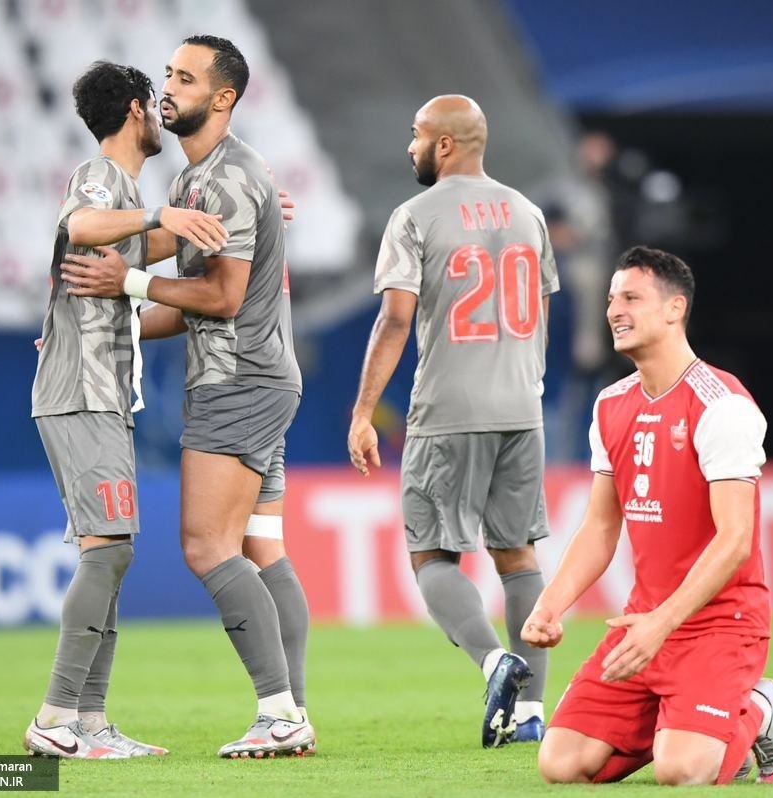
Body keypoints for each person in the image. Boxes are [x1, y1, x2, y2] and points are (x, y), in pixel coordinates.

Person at [59, 35, 313, 759]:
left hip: (238, 382)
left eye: (186, 79)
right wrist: (105, 322)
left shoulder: (224, 178)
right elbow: (185, 302)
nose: (168, 88)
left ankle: (279, 713)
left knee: (206, 546)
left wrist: (129, 283)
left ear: (223, 98)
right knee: (261, 546)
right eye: (168, 75)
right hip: (258, 376)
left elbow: (221, 298)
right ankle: (291, 709)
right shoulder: (201, 181)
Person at [521, 246, 773, 785]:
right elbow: (601, 527)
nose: (614, 310)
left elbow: (736, 539)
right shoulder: (611, 404)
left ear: (675, 309)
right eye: (611, 299)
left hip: (719, 625)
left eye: (631, 297)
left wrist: (662, 623)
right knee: (560, 764)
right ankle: (684, 720)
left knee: (681, 772)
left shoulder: (722, 406)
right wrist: (550, 605)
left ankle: (759, 708)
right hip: (643, 623)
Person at [25, 59, 224, 759]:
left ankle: (90, 724)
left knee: (109, 554)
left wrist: (233, 215)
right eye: (155, 96)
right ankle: (56, 718)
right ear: (137, 108)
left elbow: (147, 253)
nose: (162, 108)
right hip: (81, 392)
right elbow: (81, 222)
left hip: (103, 395)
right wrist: (163, 213)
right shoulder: (101, 178)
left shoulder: (126, 195)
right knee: (109, 551)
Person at [347, 95, 559, 748]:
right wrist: (525, 386)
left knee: (432, 555)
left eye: (416, 135)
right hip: (521, 409)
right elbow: (542, 314)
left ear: (443, 144)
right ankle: (530, 714)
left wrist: (363, 411)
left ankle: (495, 663)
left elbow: (395, 319)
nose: (409, 147)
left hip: (449, 411)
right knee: (518, 557)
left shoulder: (414, 215)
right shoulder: (528, 213)